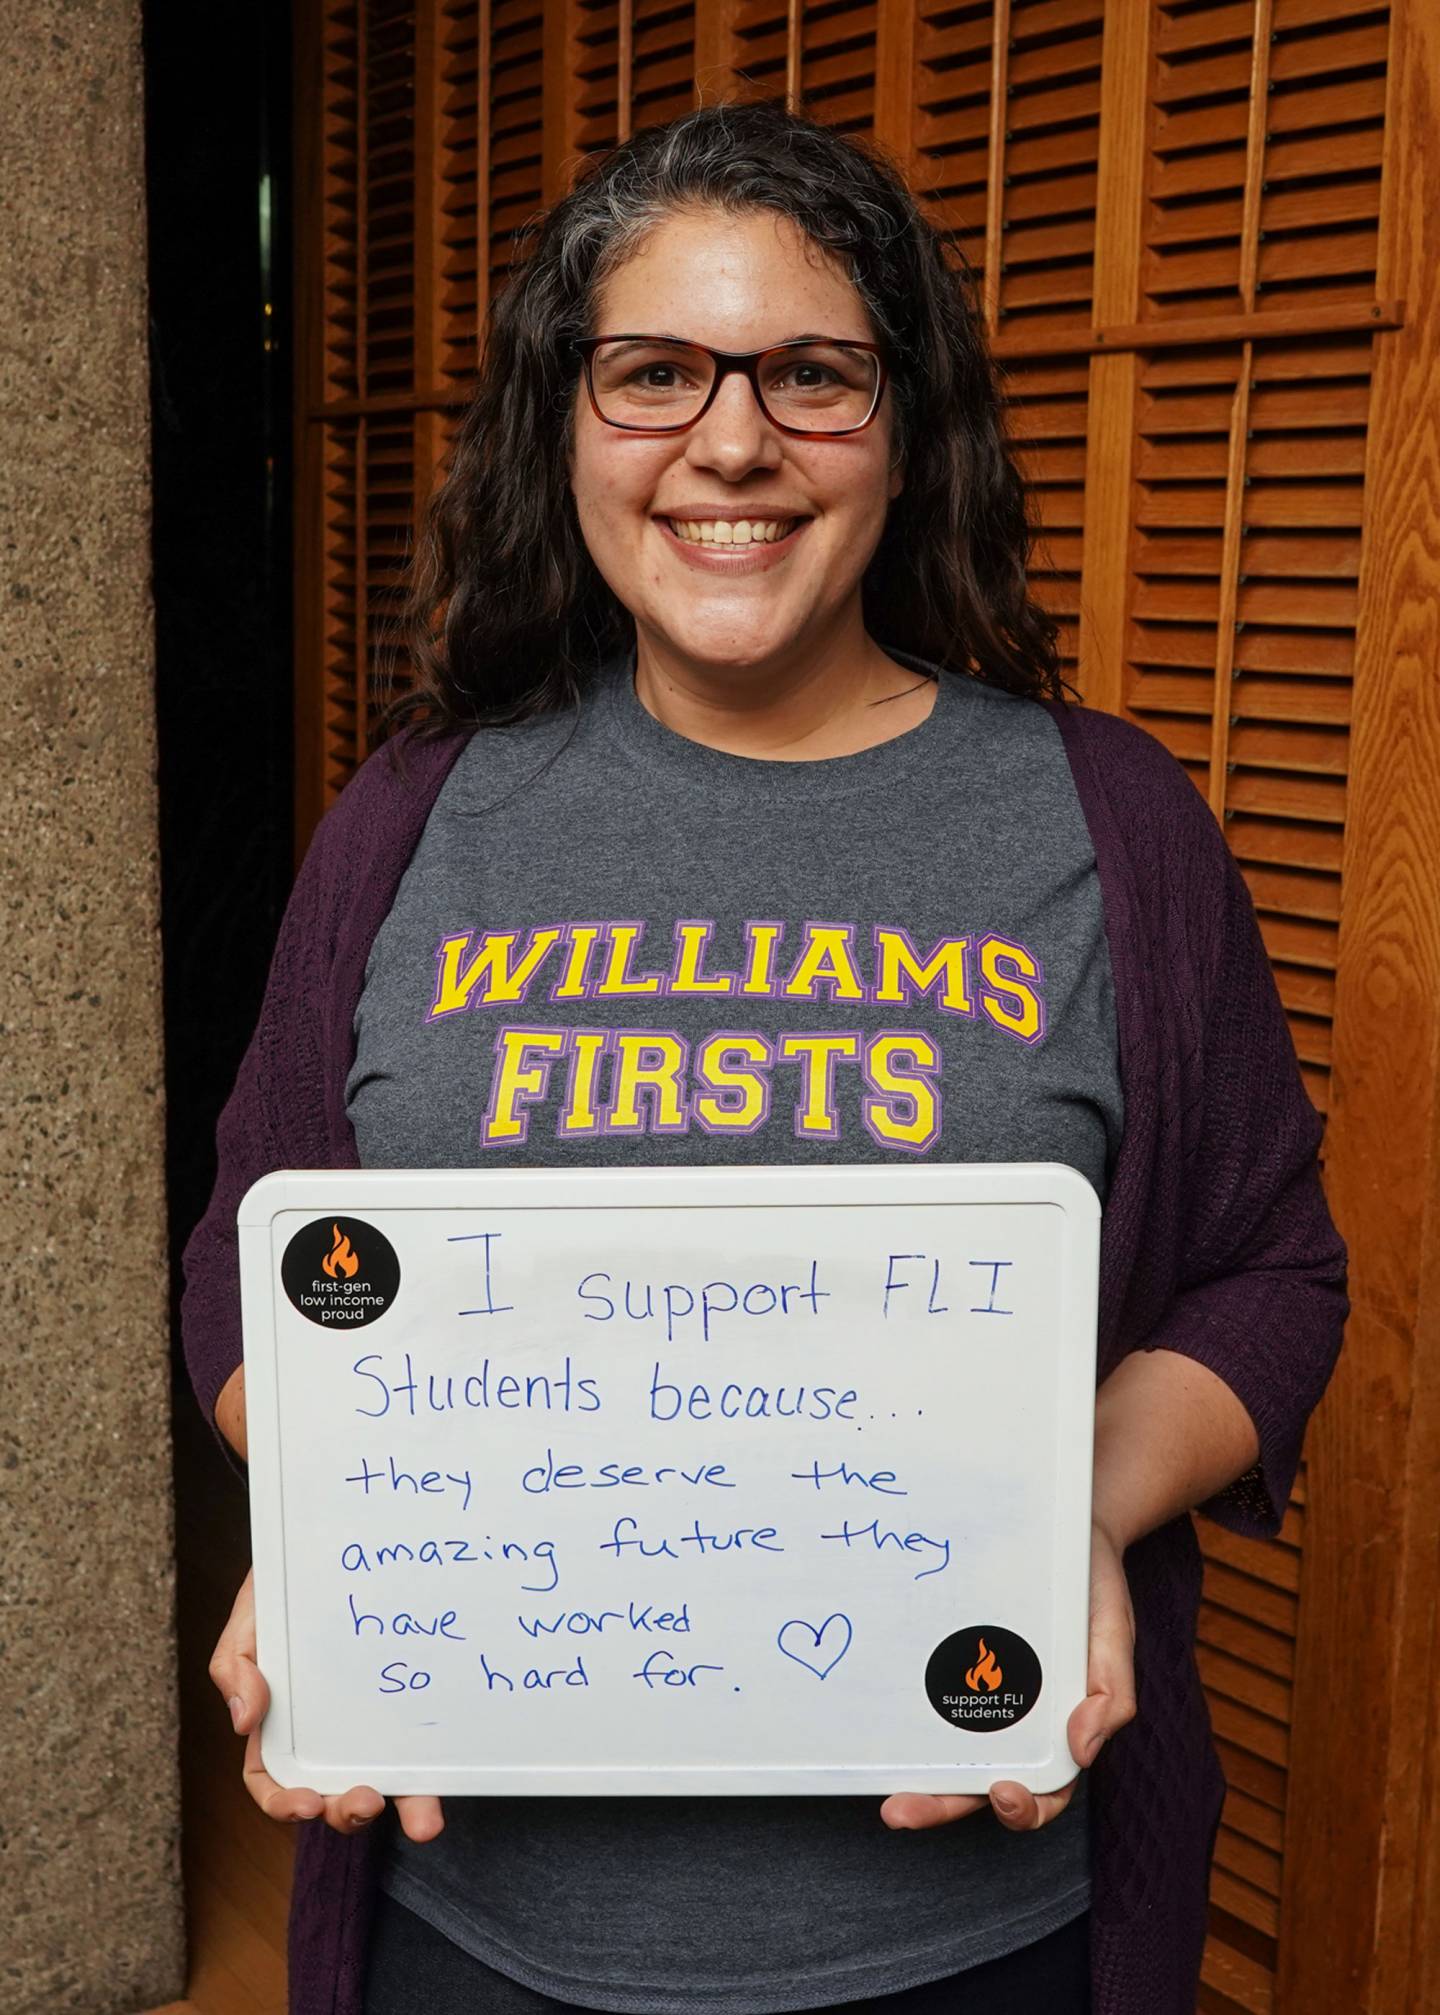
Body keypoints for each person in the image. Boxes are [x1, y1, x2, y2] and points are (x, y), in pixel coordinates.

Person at [186, 99, 1348, 2015]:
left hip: (980, 1922)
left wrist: (1076, 1507)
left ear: (911, 432)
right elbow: (250, 1262)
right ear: (566, 427)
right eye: (655, 374)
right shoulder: (414, 819)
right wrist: (336, 1517)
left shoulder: (1108, 822)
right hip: (475, 1928)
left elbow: (1270, 1273)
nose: (732, 439)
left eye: (811, 374)